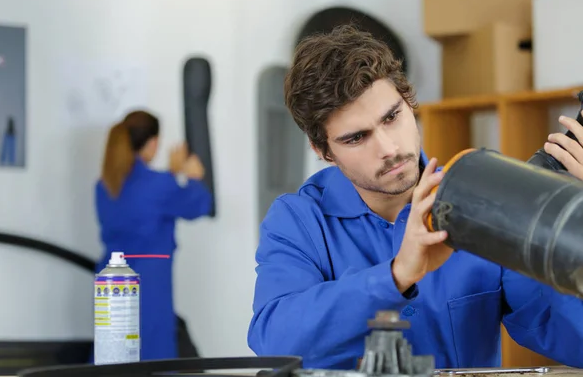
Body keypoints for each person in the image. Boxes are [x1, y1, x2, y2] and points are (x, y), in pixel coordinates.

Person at [247, 25, 583, 370]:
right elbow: (277, 342)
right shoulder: (298, 220)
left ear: (409, 103)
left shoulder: (483, 205)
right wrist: (397, 275)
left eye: (392, 117)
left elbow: (573, 336)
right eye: (356, 138)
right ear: (323, 150)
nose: (389, 149)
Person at [95, 109, 213, 360]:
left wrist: (171, 175)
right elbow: (198, 205)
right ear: (153, 143)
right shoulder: (159, 185)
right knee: (151, 354)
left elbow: (143, 205)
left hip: (110, 281)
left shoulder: (105, 185)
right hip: (148, 282)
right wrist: (192, 177)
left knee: (111, 353)